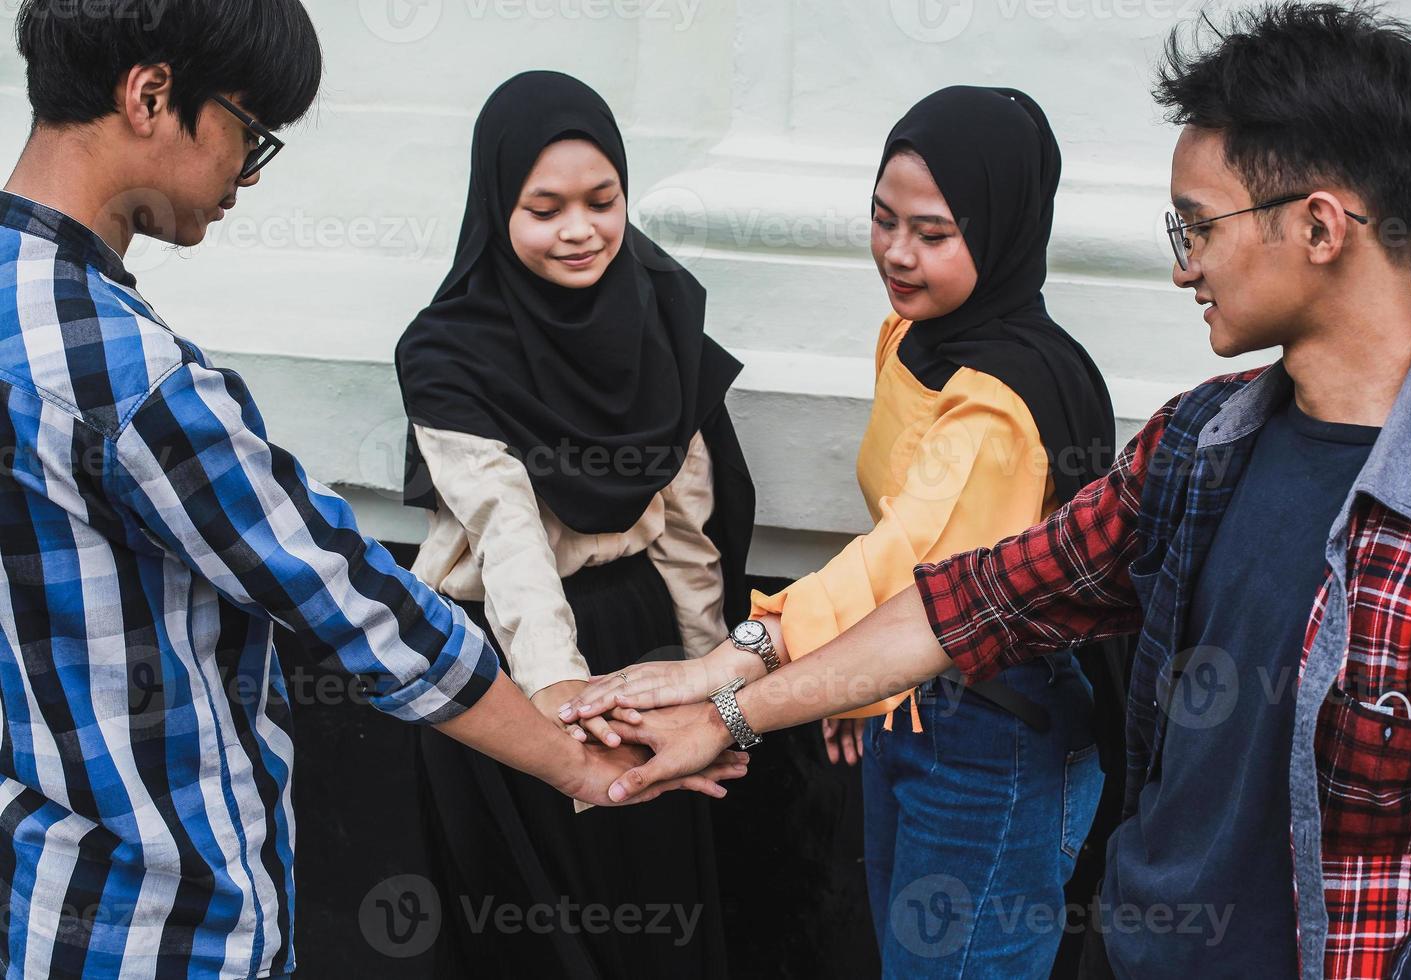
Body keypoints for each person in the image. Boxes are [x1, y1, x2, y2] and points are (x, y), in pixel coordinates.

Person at [564, 3, 1411, 976]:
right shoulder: (1200, 444)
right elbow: (981, 595)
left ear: (1321, 226)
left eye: (1198, 225)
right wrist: (725, 696)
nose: (1180, 265)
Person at [0, 5, 745, 977]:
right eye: (248, 129)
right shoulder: (129, 376)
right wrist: (580, 758)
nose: (248, 174)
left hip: (36, 892)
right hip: (165, 918)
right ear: (149, 96)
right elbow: (355, 596)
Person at [599, 85, 1118, 976]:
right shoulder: (915, 337)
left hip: (996, 728)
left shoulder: (1005, 398)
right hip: (911, 697)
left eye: (933, 233)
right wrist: (861, 687)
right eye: (883, 220)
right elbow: (905, 519)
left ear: (1000, 232)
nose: (897, 253)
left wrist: (733, 665)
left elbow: (903, 557)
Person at [394, 71, 755, 978]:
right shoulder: (448, 350)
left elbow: (686, 523)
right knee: (530, 932)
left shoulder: (662, 310)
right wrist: (561, 707)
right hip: (509, 666)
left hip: (639, 638)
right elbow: (506, 533)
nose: (580, 230)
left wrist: (712, 685)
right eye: (543, 208)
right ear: (496, 209)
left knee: (649, 917)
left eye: (602, 201)